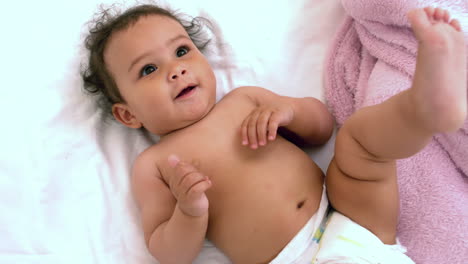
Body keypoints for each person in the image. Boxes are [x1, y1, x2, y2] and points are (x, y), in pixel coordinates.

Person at [81, 3, 466, 264]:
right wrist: (189, 211)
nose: (175, 70)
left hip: (346, 213)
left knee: (359, 143)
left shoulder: (244, 100)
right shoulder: (156, 165)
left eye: (182, 52)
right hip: (289, 258)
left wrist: (290, 111)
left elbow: (322, 128)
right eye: (148, 70)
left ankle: (425, 107)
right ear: (127, 114)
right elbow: (167, 251)